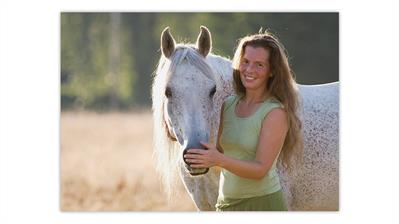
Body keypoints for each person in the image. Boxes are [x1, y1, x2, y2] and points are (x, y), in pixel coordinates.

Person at [184, 30, 303, 211]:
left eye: (259, 65)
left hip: (262, 204)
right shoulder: (229, 105)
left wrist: (218, 159)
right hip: (226, 204)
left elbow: (260, 169)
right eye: (245, 62)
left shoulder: (275, 112)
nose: (249, 70)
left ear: (272, 71)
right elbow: (226, 152)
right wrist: (195, 148)